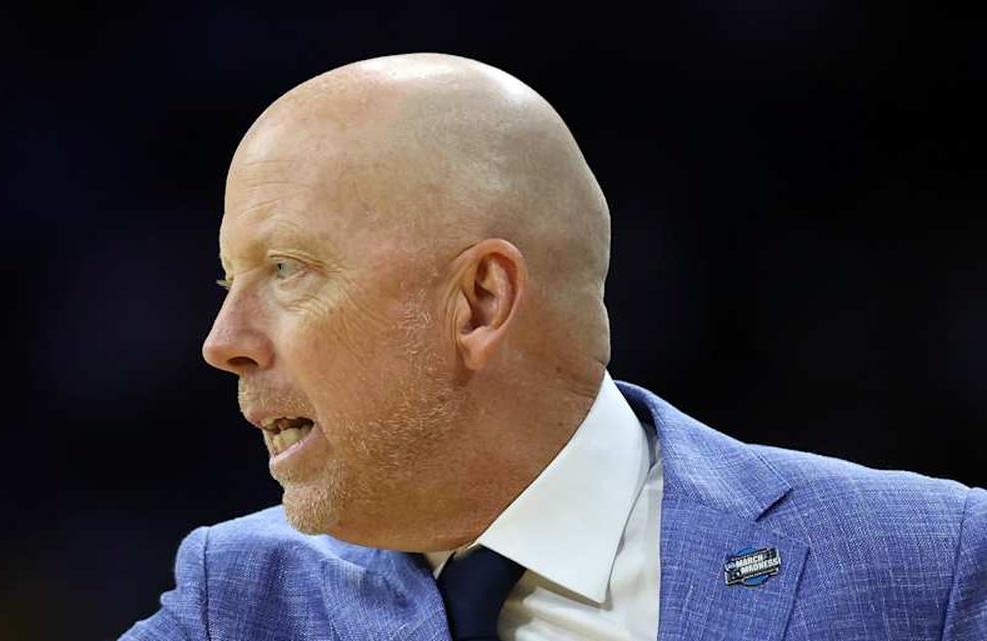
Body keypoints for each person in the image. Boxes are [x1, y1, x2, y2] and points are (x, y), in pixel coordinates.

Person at [118, 53, 985, 641]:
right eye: (229, 281)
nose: (223, 342)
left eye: (287, 270)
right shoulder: (238, 600)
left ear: (480, 301)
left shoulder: (926, 562)